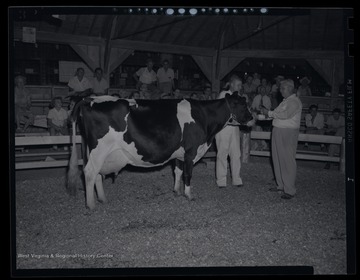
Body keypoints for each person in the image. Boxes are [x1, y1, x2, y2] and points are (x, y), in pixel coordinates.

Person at [261, 79, 302, 199]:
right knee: (277, 158)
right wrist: (266, 116)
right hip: (278, 130)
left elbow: (285, 115)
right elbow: (276, 114)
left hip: (288, 132)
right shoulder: (285, 101)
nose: (280, 90)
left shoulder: (294, 101)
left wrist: (269, 113)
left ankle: (289, 189)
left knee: (287, 160)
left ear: (290, 88)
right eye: (280, 88)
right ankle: (281, 185)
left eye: (282, 88)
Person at [215, 75, 244, 188]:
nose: (240, 87)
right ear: (231, 84)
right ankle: (221, 181)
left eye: (241, 85)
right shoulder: (223, 95)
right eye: (238, 85)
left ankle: (236, 179)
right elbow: (223, 114)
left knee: (236, 154)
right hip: (224, 129)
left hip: (235, 129)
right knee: (222, 154)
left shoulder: (239, 96)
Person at [251, 86, 272, 151]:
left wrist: (263, 110)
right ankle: (258, 143)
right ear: (259, 91)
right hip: (257, 114)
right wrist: (255, 111)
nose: (262, 91)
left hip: (264, 115)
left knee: (260, 128)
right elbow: (252, 107)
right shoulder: (256, 98)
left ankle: (263, 142)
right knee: (256, 127)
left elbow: (268, 109)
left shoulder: (267, 98)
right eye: (261, 90)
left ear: (265, 91)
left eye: (264, 90)